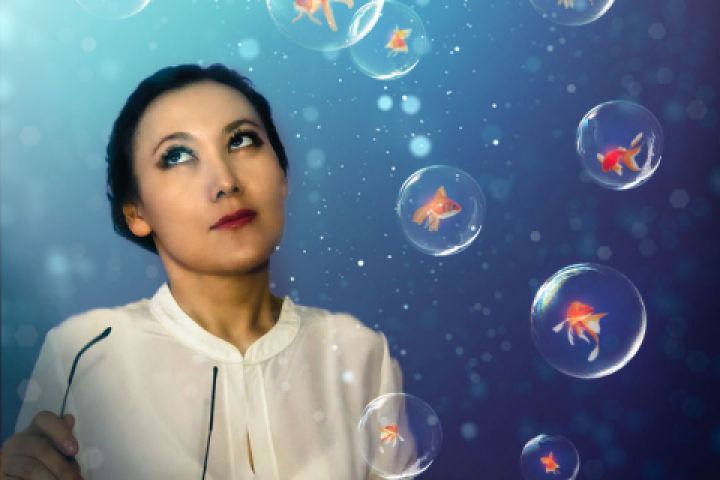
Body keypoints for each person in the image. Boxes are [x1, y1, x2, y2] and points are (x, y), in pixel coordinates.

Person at [2, 64, 410, 479]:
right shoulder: (83, 352)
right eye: (177, 156)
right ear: (136, 212)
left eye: (242, 140)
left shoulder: (358, 352)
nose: (225, 182)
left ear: (283, 174)